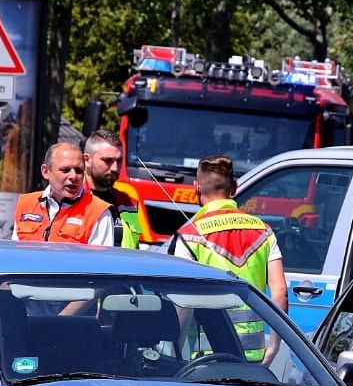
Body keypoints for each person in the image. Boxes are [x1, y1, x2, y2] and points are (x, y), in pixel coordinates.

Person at [167, 154, 287, 363]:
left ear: (196, 187)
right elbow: (280, 291)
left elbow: (182, 303)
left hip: (206, 357)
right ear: (234, 188)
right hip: (253, 357)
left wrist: (174, 353)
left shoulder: (189, 235)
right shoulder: (263, 231)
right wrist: (274, 346)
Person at [12, 142, 115, 245]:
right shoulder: (25, 204)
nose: (73, 176)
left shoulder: (99, 212)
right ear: (46, 171)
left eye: (79, 170)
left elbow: (100, 260)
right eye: (65, 170)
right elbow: (15, 253)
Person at [82, 130, 142, 248]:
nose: (115, 168)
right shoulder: (71, 199)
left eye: (119, 161)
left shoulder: (128, 202)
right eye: (107, 160)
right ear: (87, 160)